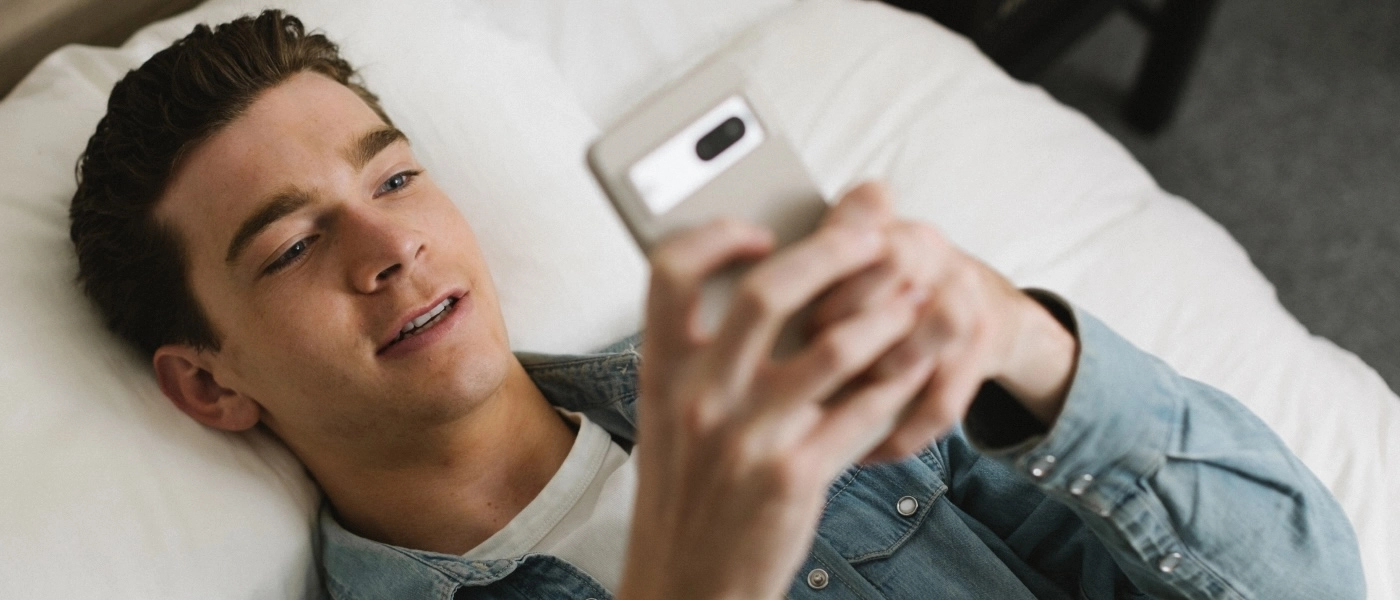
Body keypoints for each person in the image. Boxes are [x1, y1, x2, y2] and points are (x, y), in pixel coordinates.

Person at [68, 10, 1362, 600]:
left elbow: (1309, 582)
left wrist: (1028, 346)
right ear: (208, 381)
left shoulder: (790, 377)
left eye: (396, 176)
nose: (387, 245)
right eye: (291, 245)